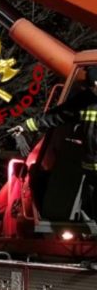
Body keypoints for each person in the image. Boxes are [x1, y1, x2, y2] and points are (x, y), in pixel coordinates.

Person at [9, 66, 97, 219]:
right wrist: (25, 126)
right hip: (91, 172)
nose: (95, 88)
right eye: (93, 85)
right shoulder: (84, 100)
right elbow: (56, 115)